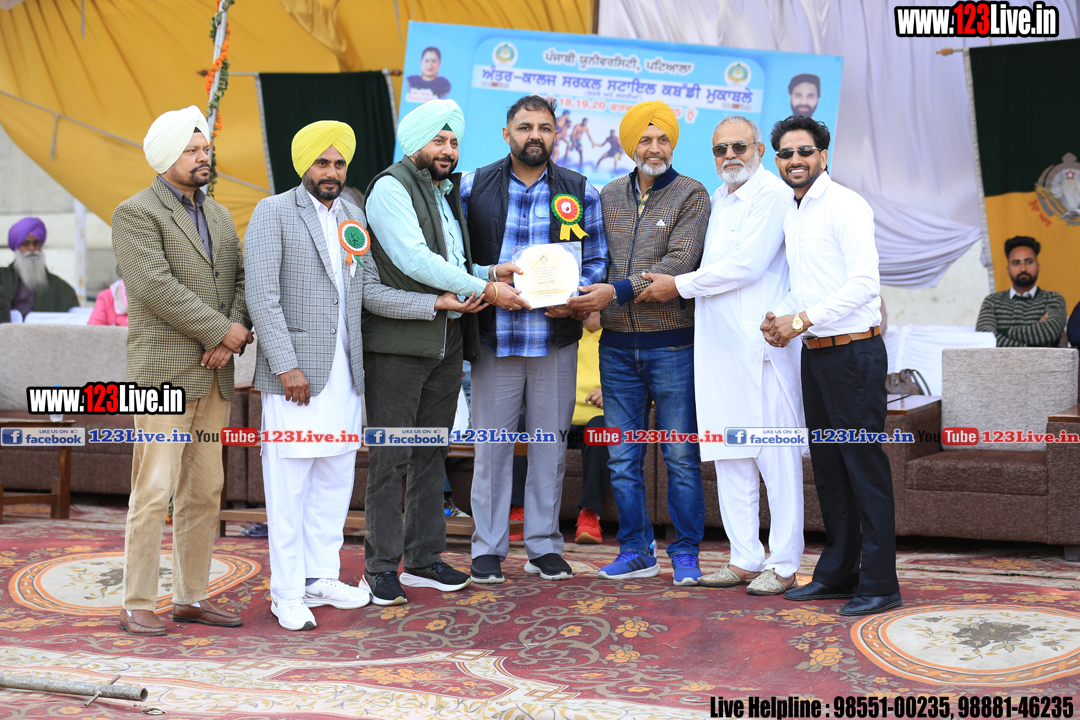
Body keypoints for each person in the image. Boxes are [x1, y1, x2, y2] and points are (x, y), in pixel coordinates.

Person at [245, 121, 478, 630]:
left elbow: (368, 292)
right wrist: (285, 365)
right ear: (303, 165)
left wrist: (433, 304)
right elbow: (261, 295)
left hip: (346, 375)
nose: (332, 172)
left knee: (334, 483)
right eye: (322, 162)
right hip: (296, 377)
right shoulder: (273, 211)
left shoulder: (353, 215)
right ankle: (287, 591)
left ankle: (322, 576)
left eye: (339, 163)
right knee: (290, 488)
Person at [362, 99, 520, 606]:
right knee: (391, 456)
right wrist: (486, 289)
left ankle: (423, 559)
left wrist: (489, 273)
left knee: (432, 452)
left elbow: (451, 260)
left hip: (446, 338)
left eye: (453, 142)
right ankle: (380, 567)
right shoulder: (391, 188)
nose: (448, 150)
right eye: (439, 140)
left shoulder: (442, 192)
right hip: (399, 342)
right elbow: (413, 259)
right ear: (415, 143)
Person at [638, 115, 804, 595]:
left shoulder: (772, 195)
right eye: (720, 149)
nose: (729, 156)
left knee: (776, 462)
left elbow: (747, 265)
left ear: (758, 150)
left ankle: (785, 563)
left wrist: (677, 285)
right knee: (730, 457)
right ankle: (745, 558)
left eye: (739, 147)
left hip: (761, 349)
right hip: (718, 351)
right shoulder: (718, 197)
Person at [111, 106, 252, 636]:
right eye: (192, 150)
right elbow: (154, 287)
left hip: (215, 374)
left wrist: (232, 331)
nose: (203, 157)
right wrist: (220, 332)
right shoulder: (136, 213)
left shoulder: (219, 215)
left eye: (205, 148)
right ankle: (137, 601)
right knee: (154, 490)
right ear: (166, 156)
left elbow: (241, 279)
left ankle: (192, 597)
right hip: (163, 374)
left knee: (205, 490)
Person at [461, 94, 609, 584]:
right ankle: (488, 548)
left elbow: (597, 260)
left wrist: (576, 296)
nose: (535, 136)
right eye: (525, 127)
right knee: (492, 449)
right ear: (507, 134)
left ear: (556, 135)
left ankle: (544, 545)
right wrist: (488, 283)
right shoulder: (472, 186)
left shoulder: (580, 191)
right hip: (495, 337)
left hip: (555, 338)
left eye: (544, 128)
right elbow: (453, 257)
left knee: (549, 448)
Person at [760, 114, 899, 616]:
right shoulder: (793, 212)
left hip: (854, 354)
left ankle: (880, 583)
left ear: (823, 154)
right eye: (786, 153)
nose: (795, 160)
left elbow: (863, 285)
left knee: (863, 467)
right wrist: (779, 317)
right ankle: (839, 573)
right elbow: (808, 287)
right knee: (829, 468)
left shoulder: (846, 204)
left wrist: (800, 320)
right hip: (816, 354)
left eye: (804, 151)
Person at [568, 100, 710, 586]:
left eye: (663, 139)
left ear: (673, 144)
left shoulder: (692, 194)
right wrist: (578, 293)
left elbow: (681, 262)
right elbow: (592, 258)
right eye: (645, 139)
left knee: (680, 456)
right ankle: (635, 550)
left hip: (673, 347)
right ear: (631, 145)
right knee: (622, 457)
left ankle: (685, 553)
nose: (654, 148)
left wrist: (614, 292)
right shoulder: (606, 195)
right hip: (616, 348)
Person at [975, 236, 1066, 347]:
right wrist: (1035, 343)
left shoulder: (1053, 299)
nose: (1023, 268)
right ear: (1008, 270)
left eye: (1029, 262)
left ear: (1038, 267)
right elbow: (985, 338)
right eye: (1016, 263)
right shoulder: (992, 301)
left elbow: (1048, 333)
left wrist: (1002, 331)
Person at [2, 217, 79, 318]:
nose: (32, 248)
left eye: (36, 243)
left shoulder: (61, 288)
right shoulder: (2, 278)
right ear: (17, 247)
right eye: (26, 244)